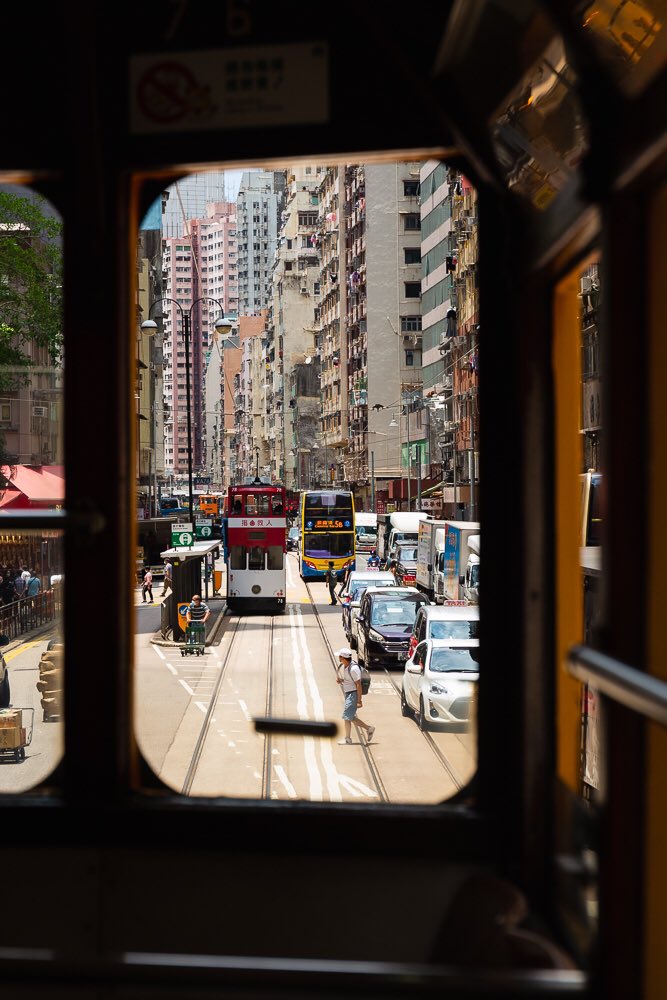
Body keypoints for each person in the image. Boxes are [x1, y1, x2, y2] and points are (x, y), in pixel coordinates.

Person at [335, 647, 375, 745]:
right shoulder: (346, 666)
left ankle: (348, 739)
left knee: (347, 717)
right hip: (349, 693)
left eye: (339, 657)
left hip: (353, 694)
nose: (338, 658)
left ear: (343, 658)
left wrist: (359, 700)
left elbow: (358, 685)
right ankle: (369, 728)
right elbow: (350, 681)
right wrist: (342, 681)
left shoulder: (353, 669)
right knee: (350, 717)